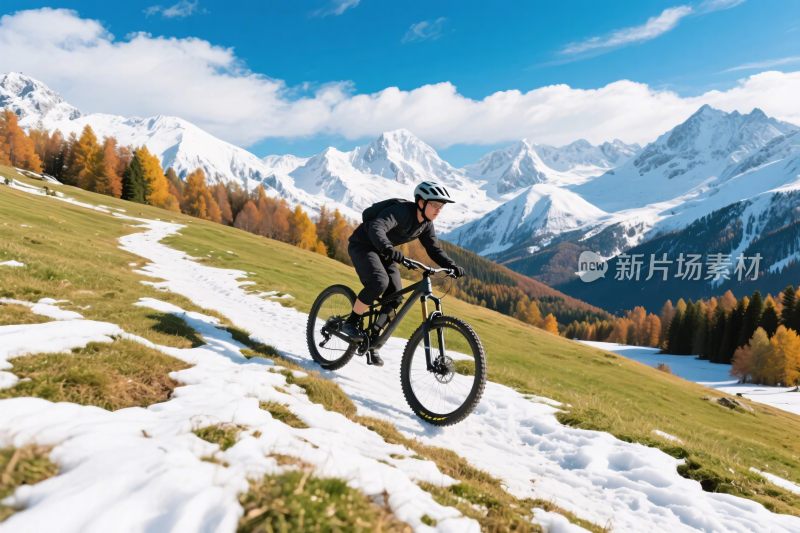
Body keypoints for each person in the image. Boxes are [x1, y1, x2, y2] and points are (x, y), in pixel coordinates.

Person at [341, 181, 465, 366]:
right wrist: (389, 249)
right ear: (421, 202)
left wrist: (451, 265)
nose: (438, 210)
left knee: (396, 296)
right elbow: (377, 227)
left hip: (385, 252)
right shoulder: (401, 211)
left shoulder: (426, 224)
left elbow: (433, 249)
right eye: (435, 205)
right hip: (364, 246)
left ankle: (373, 341)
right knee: (378, 282)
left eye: (441, 206)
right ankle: (350, 322)